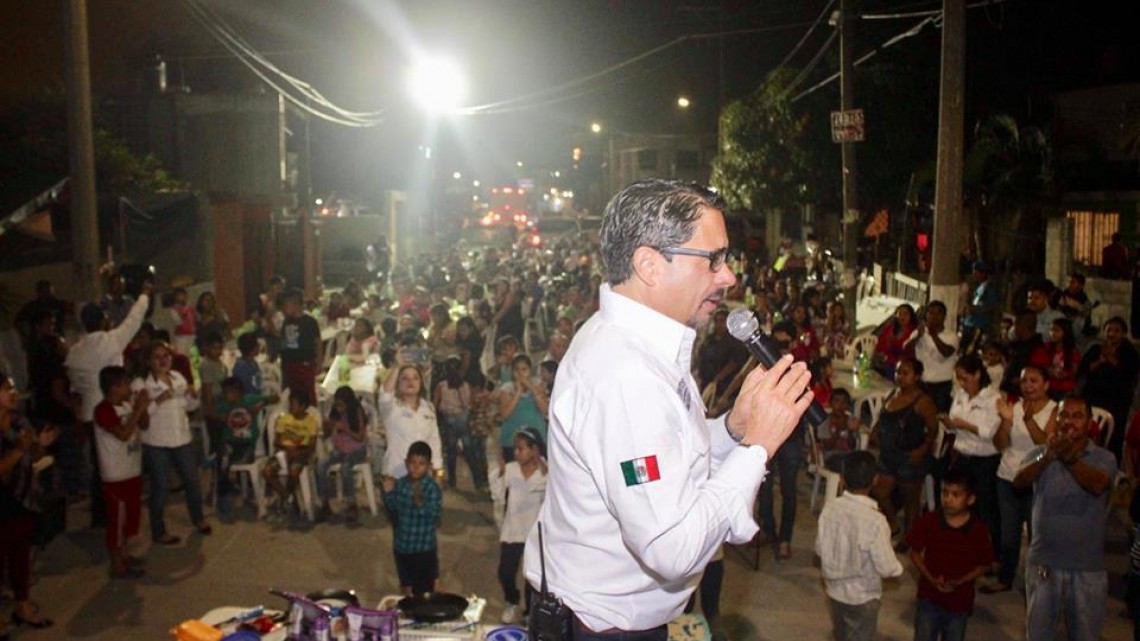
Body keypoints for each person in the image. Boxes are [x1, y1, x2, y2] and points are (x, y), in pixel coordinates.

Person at [524, 180, 813, 639]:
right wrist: (758, 447)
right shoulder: (625, 376)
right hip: (604, 628)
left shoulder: (637, 347)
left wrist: (734, 430)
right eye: (713, 259)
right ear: (649, 265)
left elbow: (666, 467)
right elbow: (671, 547)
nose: (729, 276)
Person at [1014, 395, 1115, 641]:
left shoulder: (1104, 457)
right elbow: (1019, 481)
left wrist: (1067, 456)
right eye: (1064, 415)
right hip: (1043, 564)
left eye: (1077, 416)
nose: (1069, 421)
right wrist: (1049, 456)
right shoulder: (1040, 454)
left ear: (1089, 422)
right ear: (1056, 419)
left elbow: (1097, 485)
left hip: (1086, 568)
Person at [65, 284, 151, 527]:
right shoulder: (110, 340)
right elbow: (135, 319)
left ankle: (100, 514)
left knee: (99, 466)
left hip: (89, 415)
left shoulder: (74, 352)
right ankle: (116, 513)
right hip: (112, 408)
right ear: (103, 320)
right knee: (119, 462)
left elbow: (74, 388)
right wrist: (144, 294)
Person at [816, 451, 903, 641]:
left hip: (834, 592)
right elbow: (886, 567)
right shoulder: (876, 521)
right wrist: (898, 569)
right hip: (863, 596)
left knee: (841, 635)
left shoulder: (830, 508)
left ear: (842, 479)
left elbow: (820, 549)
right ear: (875, 480)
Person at [986, 365, 1055, 594]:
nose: (1028, 386)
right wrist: (1006, 422)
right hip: (1007, 476)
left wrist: (1027, 419)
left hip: (1037, 480)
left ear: (1046, 384)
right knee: (1009, 536)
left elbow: (1046, 445)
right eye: (1024, 381)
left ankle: (1035, 583)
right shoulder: (1013, 408)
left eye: (1034, 381)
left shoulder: (1054, 410)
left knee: (1037, 537)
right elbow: (1000, 445)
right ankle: (1006, 578)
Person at [906, 468, 997, 641]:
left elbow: (984, 565)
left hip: (959, 603)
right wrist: (930, 578)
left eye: (956, 495)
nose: (948, 499)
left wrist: (960, 581)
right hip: (929, 597)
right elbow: (914, 552)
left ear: (970, 499)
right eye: (945, 493)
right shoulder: (930, 520)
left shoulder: (978, 530)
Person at [132, 341, 210, 543]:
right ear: (149, 361)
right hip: (156, 442)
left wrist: (193, 396)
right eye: (157, 357)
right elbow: (139, 417)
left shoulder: (177, 377)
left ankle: (198, 519)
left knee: (192, 481)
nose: (163, 361)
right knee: (159, 488)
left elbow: (189, 406)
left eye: (166, 356)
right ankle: (159, 531)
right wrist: (158, 400)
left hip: (181, 438)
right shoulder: (141, 384)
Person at [0, 373, 57, 634]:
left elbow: (34, 454)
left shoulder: (19, 421)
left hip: (22, 499)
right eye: (6, 389)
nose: (13, 393)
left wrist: (39, 444)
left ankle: (22, 605)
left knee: (20, 556)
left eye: (12, 388)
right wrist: (21, 449)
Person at [940, 354, 1002, 555]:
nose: (962, 383)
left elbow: (990, 433)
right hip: (961, 456)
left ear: (977, 374)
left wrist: (965, 425)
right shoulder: (960, 395)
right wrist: (950, 425)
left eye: (965, 378)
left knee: (985, 510)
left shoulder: (993, 398)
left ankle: (990, 554)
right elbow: (953, 424)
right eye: (959, 378)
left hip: (983, 460)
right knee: (958, 507)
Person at [871, 358, 938, 541]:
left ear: (916, 377)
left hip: (909, 454)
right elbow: (883, 417)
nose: (900, 377)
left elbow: (933, 429)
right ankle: (893, 523)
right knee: (878, 492)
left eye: (905, 373)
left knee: (911, 501)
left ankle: (910, 538)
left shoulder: (923, 401)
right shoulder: (894, 393)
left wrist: (923, 449)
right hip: (888, 454)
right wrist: (876, 431)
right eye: (898, 372)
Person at [93, 366, 149, 578]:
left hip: (132, 470)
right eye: (126, 383)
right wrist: (137, 410)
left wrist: (141, 407)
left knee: (130, 519)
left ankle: (124, 555)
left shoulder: (126, 404)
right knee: (117, 521)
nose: (129, 388)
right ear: (115, 387)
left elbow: (143, 424)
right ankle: (117, 564)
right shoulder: (103, 410)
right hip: (115, 475)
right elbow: (124, 434)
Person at [491, 428, 547, 624]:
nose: (516, 452)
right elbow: (497, 495)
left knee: (532, 576)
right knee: (505, 571)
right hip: (513, 529)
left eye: (521, 449)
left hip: (534, 532)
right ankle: (511, 601)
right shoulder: (511, 469)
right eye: (515, 448)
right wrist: (499, 473)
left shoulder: (545, 471)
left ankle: (530, 611)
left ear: (534, 450)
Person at [381, 441, 443, 596]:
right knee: (406, 586)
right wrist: (387, 493)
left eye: (421, 464)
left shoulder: (431, 488)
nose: (416, 467)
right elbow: (393, 508)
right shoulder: (401, 484)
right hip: (403, 547)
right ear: (406, 463)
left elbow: (435, 515)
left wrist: (421, 504)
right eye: (412, 463)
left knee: (424, 590)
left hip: (424, 549)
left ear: (429, 466)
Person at [1077, 317, 1139, 457]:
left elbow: (1129, 374)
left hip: (1117, 400)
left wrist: (1111, 359)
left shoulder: (1129, 352)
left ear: (1123, 333)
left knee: (1113, 435)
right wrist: (1100, 360)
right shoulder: (1096, 348)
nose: (1112, 334)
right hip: (1094, 396)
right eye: (1109, 330)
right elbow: (1084, 369)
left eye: (1116, 331)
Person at [214, 377, 273, 514]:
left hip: (247, 442)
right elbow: (215, 411)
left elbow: (274, 397)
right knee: (223, 460)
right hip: (230, 441)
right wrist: (221, 416)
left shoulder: (249, 400)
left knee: (243, 458)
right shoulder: (225, 405)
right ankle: (225, 493)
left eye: (227, 393)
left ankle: (235, 481)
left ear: (237, 392)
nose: (225, 396)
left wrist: (261, 404)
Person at [379, 356, 442, 480]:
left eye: (415, 378)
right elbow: (385, 394)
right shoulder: (391, 408)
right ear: (397, 383)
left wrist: (438, 472)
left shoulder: (428, 408)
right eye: (404, 378)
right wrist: (397, 366)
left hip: (423, 476)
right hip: (396, 474)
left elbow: (434, 441)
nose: (410, 381)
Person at [262, 390, 318, 519]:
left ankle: (287, 498)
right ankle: (287, 496)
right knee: (267, 471)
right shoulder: (284, 419)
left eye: (294, 404)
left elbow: (311, 446)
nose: (290, 407)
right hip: (284, 451)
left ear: (303, 406)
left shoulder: (311, 421)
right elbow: (276, 441)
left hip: (302, 452)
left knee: (294, 471)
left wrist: (297, 451)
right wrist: (287, 449)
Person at [316, 387, 368, 522]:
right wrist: (327, 425)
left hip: (357, 449)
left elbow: (360, 437)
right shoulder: (334, 413)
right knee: (321, 465)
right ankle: (324, 502)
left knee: (345, 468)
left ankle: (351, 504)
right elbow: (327, 434)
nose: (339, 408)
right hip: (340, 449)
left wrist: (346, 429)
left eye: (341, 405)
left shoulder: (356, 412)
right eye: (337, 405)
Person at [496, 354, 548, 465]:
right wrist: (518, 392)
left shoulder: (538, 386)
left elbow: (544, 409)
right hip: (512, 440)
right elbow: (505, 414)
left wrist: (531, 387)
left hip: (536, 439)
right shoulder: (506, 389)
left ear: (530, 370)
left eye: (524, 369)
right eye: (516, 369)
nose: (520, 373)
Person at [910, 301, 959, 413]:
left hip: (942, 386)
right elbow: (906, 348)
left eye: (938, 313)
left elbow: (946, 353)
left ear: (944, 317)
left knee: (938, 418)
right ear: (926, 314)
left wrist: (933, 335)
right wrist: (918, 336)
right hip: (922, 384)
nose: (934, 316)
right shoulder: (920, 332)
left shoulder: (952, 336)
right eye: (931, 312)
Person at [434, 357, 473, 490]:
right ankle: (477, 481)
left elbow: (435, 404)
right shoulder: (465, 385)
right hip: (460, 419)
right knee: (468, 451)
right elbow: (468, 404)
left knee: (451, 452)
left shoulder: (443, 385)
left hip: (450, 419)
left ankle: (452, 481)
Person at [278, 288, 321, 400]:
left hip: (305, 363)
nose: (283, 309)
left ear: (296, 305)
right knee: (291, 392)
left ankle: (311, 414)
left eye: (285, 306)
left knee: (307, 392)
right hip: (289, 363)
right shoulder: (286, 321)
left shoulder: (309, 322)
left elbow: (317, 342)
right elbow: (283, 340)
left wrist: (319, 362)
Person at [960, 261, 1000, 354]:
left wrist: (976, 309)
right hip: (969, 323)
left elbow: (992, 305)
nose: (974, 275)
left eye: (977, 272)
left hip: (978, 324)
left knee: (970, 350)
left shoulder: (990, 288)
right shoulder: (978, 287)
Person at [872, 304, 917, 379]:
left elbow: (908, 352)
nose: (902, 316)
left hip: (903, 368)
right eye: (900, 313)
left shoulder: (914, 332)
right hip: (886, 364)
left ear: (911, 316)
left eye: (906, 314)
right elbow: (880, 344)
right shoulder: (891, 328)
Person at [1040, 318, 1080, 397]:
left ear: (1065, 332)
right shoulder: (1046, 347)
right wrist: (1048, 370)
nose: (1052, 333)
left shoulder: (1072, 351)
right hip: (1048, 386)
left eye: (1057, 330)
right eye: (1051, 330)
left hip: (1065, 389)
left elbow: (1075, 372)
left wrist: (1064, 374)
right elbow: (1040, 364)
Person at [168, 287, 197, 358]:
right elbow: (178, 322)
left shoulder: (190, 307)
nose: (181, 297)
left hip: (192, 335)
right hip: (181, 336)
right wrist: (185, 310)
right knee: (182, 356)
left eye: (183, 295)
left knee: (192, 356)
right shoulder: (173, 309)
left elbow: (195, 318)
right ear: (174, 297)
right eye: (179, 295)